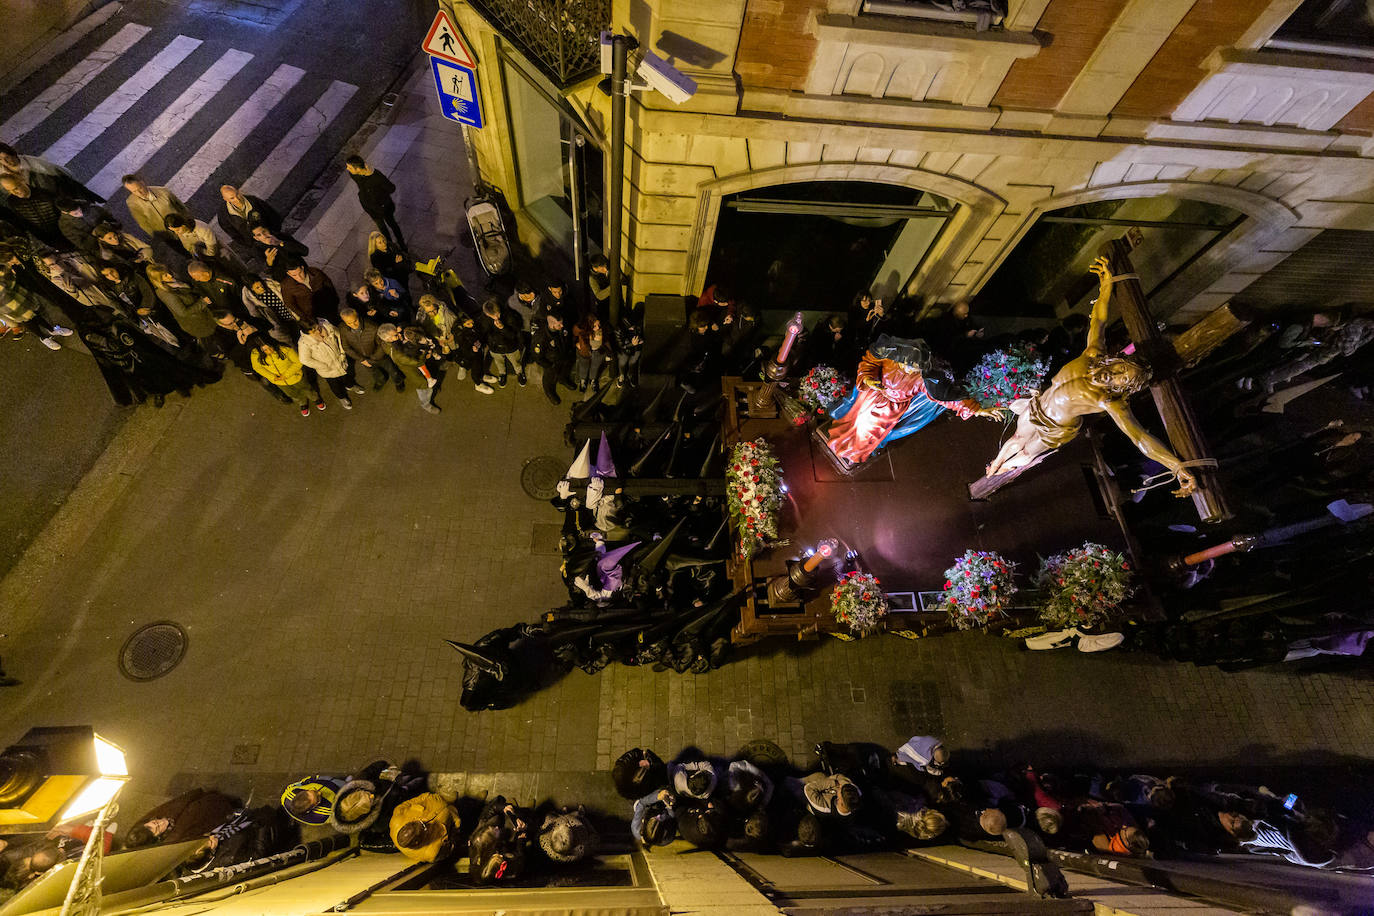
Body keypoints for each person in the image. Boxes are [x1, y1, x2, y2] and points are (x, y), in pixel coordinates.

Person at [983, 257, 1198, 496]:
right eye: (1120, 368)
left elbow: (1139, 438)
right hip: (1039, 406)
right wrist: (1106, 286)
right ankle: (995, 465)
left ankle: (1004, 471)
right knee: (1015, 439)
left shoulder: (1108, 401)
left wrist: (1176, 466)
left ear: (1123, 388)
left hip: (1056, 428)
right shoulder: (1093, 354)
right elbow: (1099, 319)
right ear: (1118, 360)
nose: (1114, 375)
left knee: (1025, 453)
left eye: (1121, 379)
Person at [825, 335, 992, 468]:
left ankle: (854, 451)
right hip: (871, 397)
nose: (909, 369)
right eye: (907, 364)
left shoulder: (921, 380)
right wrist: (868, 379)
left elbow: (943, 398)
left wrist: (975, 409)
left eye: (914, 367)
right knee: (855, 422)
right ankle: (844, 439)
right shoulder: (889, 357)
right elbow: (870, 362)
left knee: (868, 432)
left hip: (889, 409)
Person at [123, 788, 239, 848]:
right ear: (158, 838)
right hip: (212, 813)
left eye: (154, 822)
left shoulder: (152, 821)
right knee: (229, 804)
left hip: (205, 801)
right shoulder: (175, 838)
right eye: (158, 827)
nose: (160, 822)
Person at [148, 262, 219, 351]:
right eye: (166, 275)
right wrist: (203, 302)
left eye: (168, 271)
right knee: (210, 340)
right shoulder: (166, 294)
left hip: (202, 313)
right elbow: (183, 312)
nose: (170, 275)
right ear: (159, 280)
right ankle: (216, 355)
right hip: (197, 321)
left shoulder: (172, 281)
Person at [298, 318, 366, 408]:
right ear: (306, 333)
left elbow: (339, 336)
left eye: (317, 327)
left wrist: (342, 352)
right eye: (313, 331)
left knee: (347, 375)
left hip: (340, 360)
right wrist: (322, 366)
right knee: (334, 385)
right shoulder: (304, 343)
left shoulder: (326, 326)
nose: (318, 331)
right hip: (328, 369)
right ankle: (342, 397)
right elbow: (304, 359)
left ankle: (350, 385)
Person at [250, 335, 323, 416]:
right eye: (265, 350)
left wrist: (286, 375)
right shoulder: (255, 355)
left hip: (295, 377)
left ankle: (315, 398)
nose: (269, 351)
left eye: (270, 347)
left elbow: (298, 362)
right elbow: (257, 368)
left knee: (306, 389)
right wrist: (272, 377)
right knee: (292, 394)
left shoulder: (285, 349)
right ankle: (302, 402)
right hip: (279, 382)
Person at [345, 155, 406, 249]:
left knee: (392, 224)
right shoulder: (353, 174)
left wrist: (380, 194)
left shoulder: (377, 177)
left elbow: (391, 188)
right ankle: (390, 246)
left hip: (384, 207)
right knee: (382, 228)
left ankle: (402, 245)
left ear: (357, 169)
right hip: (370, 207)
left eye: (349, 167)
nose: (347, 169)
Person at [377, 323, 439, 413]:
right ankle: (426, 404)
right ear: (389, 339)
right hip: (414, 372)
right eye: (396, 335)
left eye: (397, 332)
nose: (399, 334)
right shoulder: (398, 354)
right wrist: (424, 353)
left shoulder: (387, 342)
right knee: (424, 388)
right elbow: (418, 362)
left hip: (414, 366)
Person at [468, 795, 531, 883]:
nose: (496, 828)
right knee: (527, 826)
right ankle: (526, 810)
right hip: (509, 847)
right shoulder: (511, 865)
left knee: (498, 805)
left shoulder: (478, 843)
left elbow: (490, 809)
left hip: (496, 841)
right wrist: (521, 838)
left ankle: (514, 809)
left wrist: (504, 808)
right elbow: (520, 855)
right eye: (495, 831)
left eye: (493, 828)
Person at [388, 791, 459, 863]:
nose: (424, 820)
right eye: (424, 826)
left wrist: (427, 796)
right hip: (455, 812)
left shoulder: (397, 819)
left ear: (405, 825)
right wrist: (456, 823)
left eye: (418, 822)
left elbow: (409, 803)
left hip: (438, 797)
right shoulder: (432, 853)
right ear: (418, 842)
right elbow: (453, 840)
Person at [121, 174, 190, 247]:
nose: (139, 193)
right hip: (166, 235)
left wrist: (187, 222)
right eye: (134, 191)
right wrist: (157, 234)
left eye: (139, 188)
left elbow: (181, 207)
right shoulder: (131, 202)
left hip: (181, 227)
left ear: (143, 183)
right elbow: (142, 222)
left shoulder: (164, 191)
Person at [337, 306, 397, 391]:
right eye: (349, 323)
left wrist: (373, 358)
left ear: (358, 316)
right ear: (344, 322)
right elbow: (346, 347)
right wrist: (362, 359)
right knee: (374, 372)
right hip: (363, 358)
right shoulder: (342, 329)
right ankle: (381, 381)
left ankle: (398, 381)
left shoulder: (372, 326)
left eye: (355, 321)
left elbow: (381, 344)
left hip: (378, 356)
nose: (353, 325)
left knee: (391, 369)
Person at [0, 175, 65, 248]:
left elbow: (62, 214)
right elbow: (26, 224)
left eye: (16, 188)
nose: (14, 193)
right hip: (45, 241)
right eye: (9, 190)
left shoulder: (44, 194)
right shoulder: (12, 202)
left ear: (22, 180)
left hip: (63, 233)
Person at [217, 184, 280, 256]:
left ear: (238, 191)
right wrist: (248, 244)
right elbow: (231, 232)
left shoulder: (254, 201)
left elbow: (272, 214)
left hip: (272, 236)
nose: (237, 199)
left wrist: (275, 232)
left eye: (237, 194)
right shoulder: (224, 215)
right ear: (225, 199)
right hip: (256, 246)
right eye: (232, 198)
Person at [480, 297, 524, 388]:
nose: (496, 318)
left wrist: (503, 328)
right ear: (487, 314)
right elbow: (484, 332)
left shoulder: (509, 315)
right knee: (499, 361)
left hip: (510, 346)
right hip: (495, 347)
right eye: (493, 316)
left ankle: (519, 373)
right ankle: (502, 373)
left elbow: (514, 334)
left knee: (515, 361)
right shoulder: (484, 319)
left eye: (497, 314)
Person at [531, 311, 572, 405]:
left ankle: (562, 379)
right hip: (551, 362)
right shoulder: (541, 337)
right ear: (552, 325)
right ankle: (549, 390)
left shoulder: (561, 329)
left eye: (562, 323)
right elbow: (537, 356)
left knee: (564, 369)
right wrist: (549, 365)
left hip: (563, 356)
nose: (562, 326)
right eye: (559, 324)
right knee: (549, 377)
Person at [280, 258, 339, 324]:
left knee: (337, 322)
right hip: (312, 314)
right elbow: (290, 304)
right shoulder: (286, 286)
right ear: (288, 274)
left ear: (302, 268)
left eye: (300, 273)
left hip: (328, 306)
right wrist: (305, 318)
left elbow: (328, 284)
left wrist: (335, 299)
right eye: (294, 275)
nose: (299, 277)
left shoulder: (315, 272)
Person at [453, 314, 495, 394]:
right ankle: (478, 384)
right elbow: (464, 350)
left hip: (479, 351)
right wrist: (473, 351)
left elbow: (480, 336)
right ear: (462, 325)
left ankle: (482, 376)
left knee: (481, 365)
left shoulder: (474, 328)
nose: (472, 325)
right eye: (468, 324)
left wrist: (483, 343)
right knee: (476, 370)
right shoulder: (461, 335)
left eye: (472, 322)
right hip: (471, 356)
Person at [573, 312, 611, 393]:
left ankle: (593, 380)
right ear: (589, 326)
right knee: (583, 367)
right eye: (594, 326)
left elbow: (606, 341)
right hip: (585, 352)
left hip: (598, 352)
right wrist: (576, 344)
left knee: (595, 367)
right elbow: (574, 334)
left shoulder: (601, 330)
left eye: (598, 324)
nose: (598, 327)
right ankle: (583, 380)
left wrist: (608, 352)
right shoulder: (583, 331)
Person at [614, 303, 644, 387]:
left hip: (636, 347)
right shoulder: (619, 330)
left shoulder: (638, 324)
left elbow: (643, 334)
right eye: (631, 327)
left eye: (634, 326)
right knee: (623, 362)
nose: (633, 329)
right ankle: (622, 375)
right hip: (625, 349)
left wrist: (641, 340)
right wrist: (632, 344)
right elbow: (621, 345)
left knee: (633, 362)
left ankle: (630, 375)